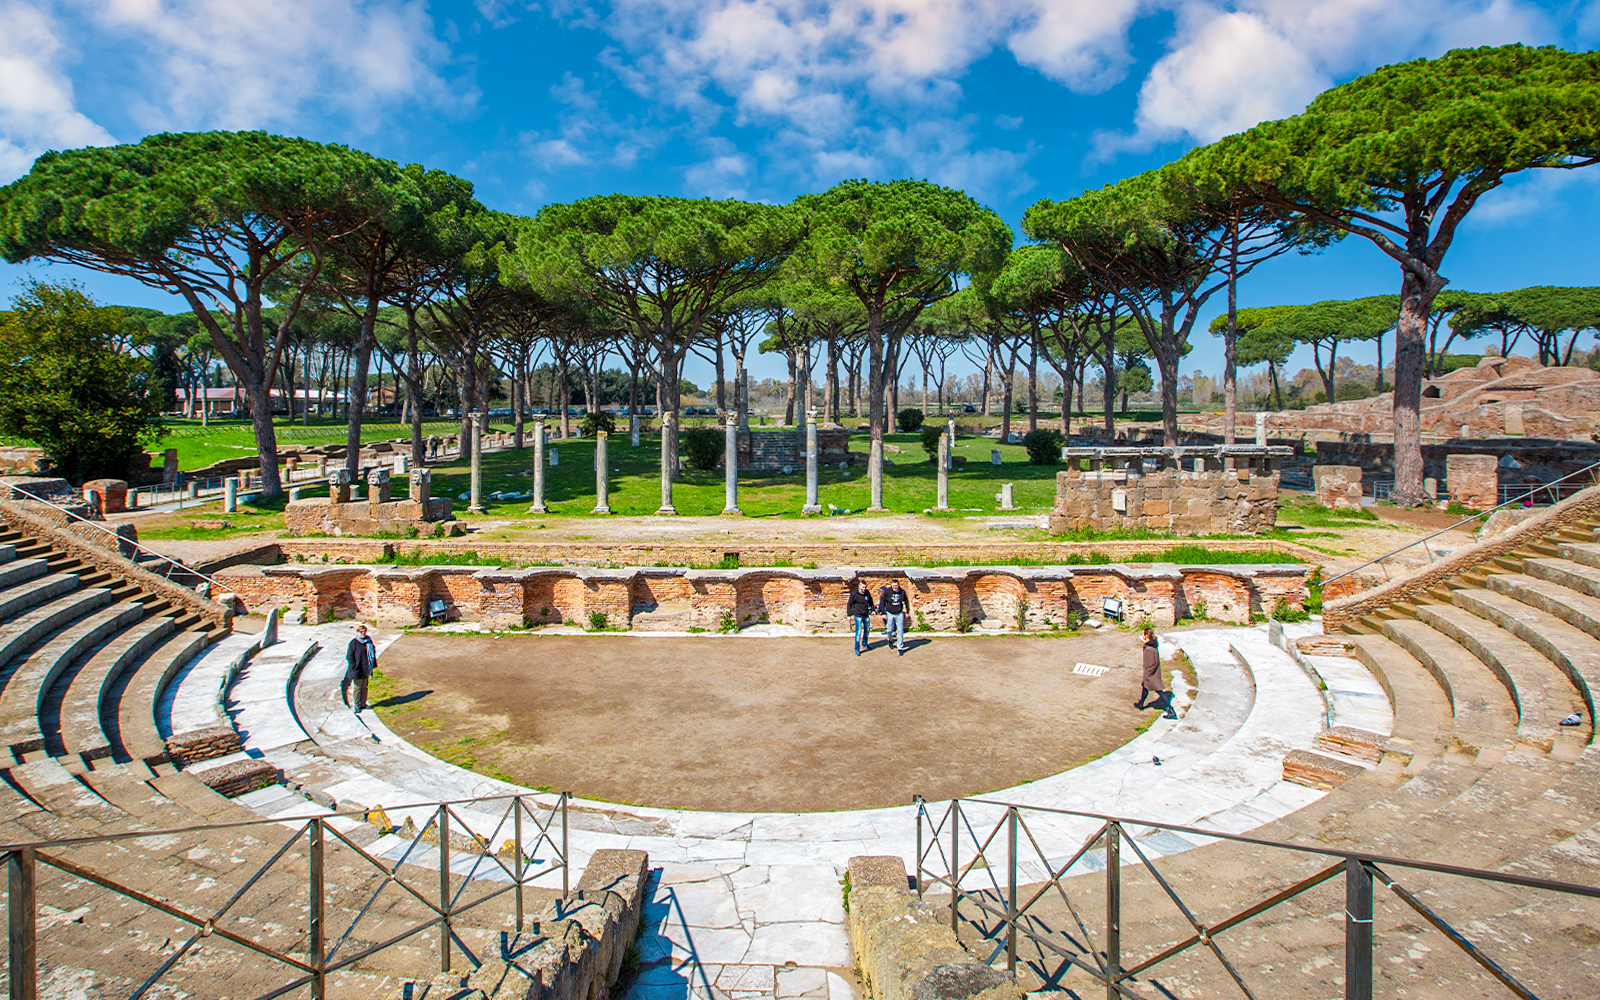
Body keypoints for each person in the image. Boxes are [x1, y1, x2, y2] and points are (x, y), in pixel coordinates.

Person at [1134, 627, 1177, 719]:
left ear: (1146, 636)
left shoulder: (1149, 649)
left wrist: (1148, 674)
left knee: (1159, 691)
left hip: (1151, 674)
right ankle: (1141, 703)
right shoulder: (1153, 645)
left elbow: (1151, 664)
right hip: (1151, 673)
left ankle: (1170, 710)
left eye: (1143, 634)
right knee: (1145, 687)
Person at [343, 624, 378, 711]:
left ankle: (363, 703)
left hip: (366, 668)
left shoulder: (368, 641)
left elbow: (372, 652)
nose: (363, 633)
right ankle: (357, 705)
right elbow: (349, 657)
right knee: (358, 687)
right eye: (361, 632)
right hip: (357, 670)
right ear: (357, 633)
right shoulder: (353, 643)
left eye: (364, 631)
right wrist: (354, 667)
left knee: (364, 686)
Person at [877, 579, 909, 655]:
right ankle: (890, 640)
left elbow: (906, 602)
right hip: (890, 612)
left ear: (898, 585)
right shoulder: (888, 592)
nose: (895, 587)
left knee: (900, 631)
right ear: (891, 585)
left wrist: (907, 612)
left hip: (899, 613)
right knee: (889, 630)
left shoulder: (902, 592)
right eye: (893, 586)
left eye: (896, 586)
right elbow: (883, 602)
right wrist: (883, 613)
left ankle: (900, 647)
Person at [846, 578, 874, 655]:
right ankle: (857, 648)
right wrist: (849, 614)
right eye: (862, 587)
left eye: (865, 587)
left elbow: (871, 602)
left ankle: (864, 644)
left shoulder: (867, 593)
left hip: (865, 615)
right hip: (858, 615)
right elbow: (849, 604)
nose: (863, 589)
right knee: (858, 632)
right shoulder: (854, 594)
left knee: (867, 630)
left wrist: (873, 610)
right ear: (859, 586)